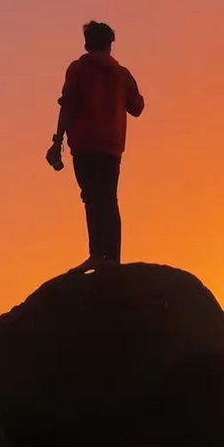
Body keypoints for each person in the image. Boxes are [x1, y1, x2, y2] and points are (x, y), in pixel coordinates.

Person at [46, 21, 144, 271]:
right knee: (109, 199)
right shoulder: (121, 74)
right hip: (111, 146)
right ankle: (112, 258)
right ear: (109, 45)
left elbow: (68, 105)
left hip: (85, 145)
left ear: (87, 43)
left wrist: (57, 141)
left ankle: (97, 254)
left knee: (92, 197)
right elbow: (137, 107)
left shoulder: (78, 69)